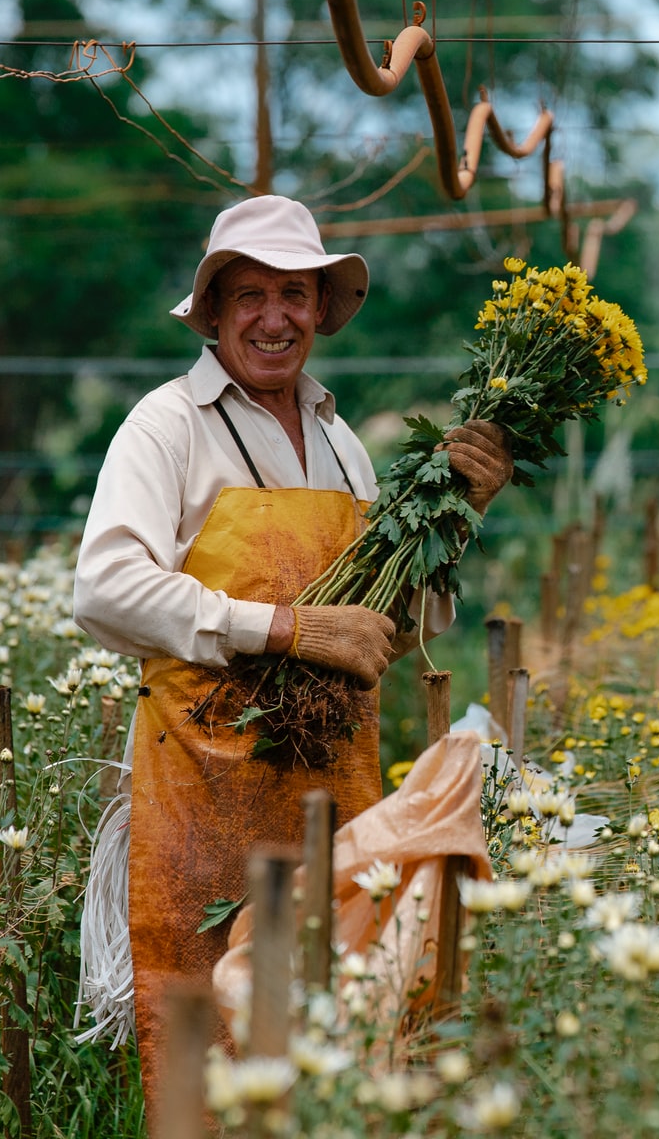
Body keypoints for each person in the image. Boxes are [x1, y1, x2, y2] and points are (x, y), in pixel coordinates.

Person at [72, 195, 513, 1118]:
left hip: (332, 792)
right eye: (250, 295)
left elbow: (395, 623)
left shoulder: (345, 445)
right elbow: (105, 589)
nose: (273, 317)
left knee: (328, 1041)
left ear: (320, 309)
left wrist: (458, 517)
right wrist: (284, 629)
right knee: (206, 1055)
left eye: (294, 294)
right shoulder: (168, 425)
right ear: (214, 311)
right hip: (202, 795)